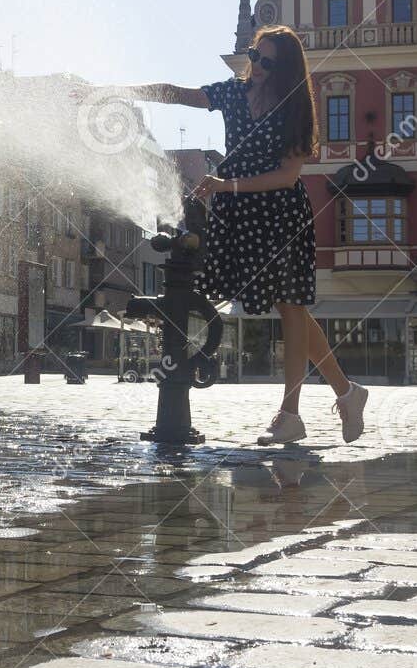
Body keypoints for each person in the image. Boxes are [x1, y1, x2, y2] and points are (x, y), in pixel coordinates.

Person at [141, 26, 368, 445]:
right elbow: (177, 93)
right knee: (293, 310)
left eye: (268, 61)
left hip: (280, 214)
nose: (257, 66)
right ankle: (347, 393)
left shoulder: (294, 105)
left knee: (291, 309)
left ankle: (291, 414)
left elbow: (287, 175)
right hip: (243, 218)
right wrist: (119, 92)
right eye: (254, 55)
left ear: (285, 68)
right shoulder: (232, 92)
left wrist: (226, 185)